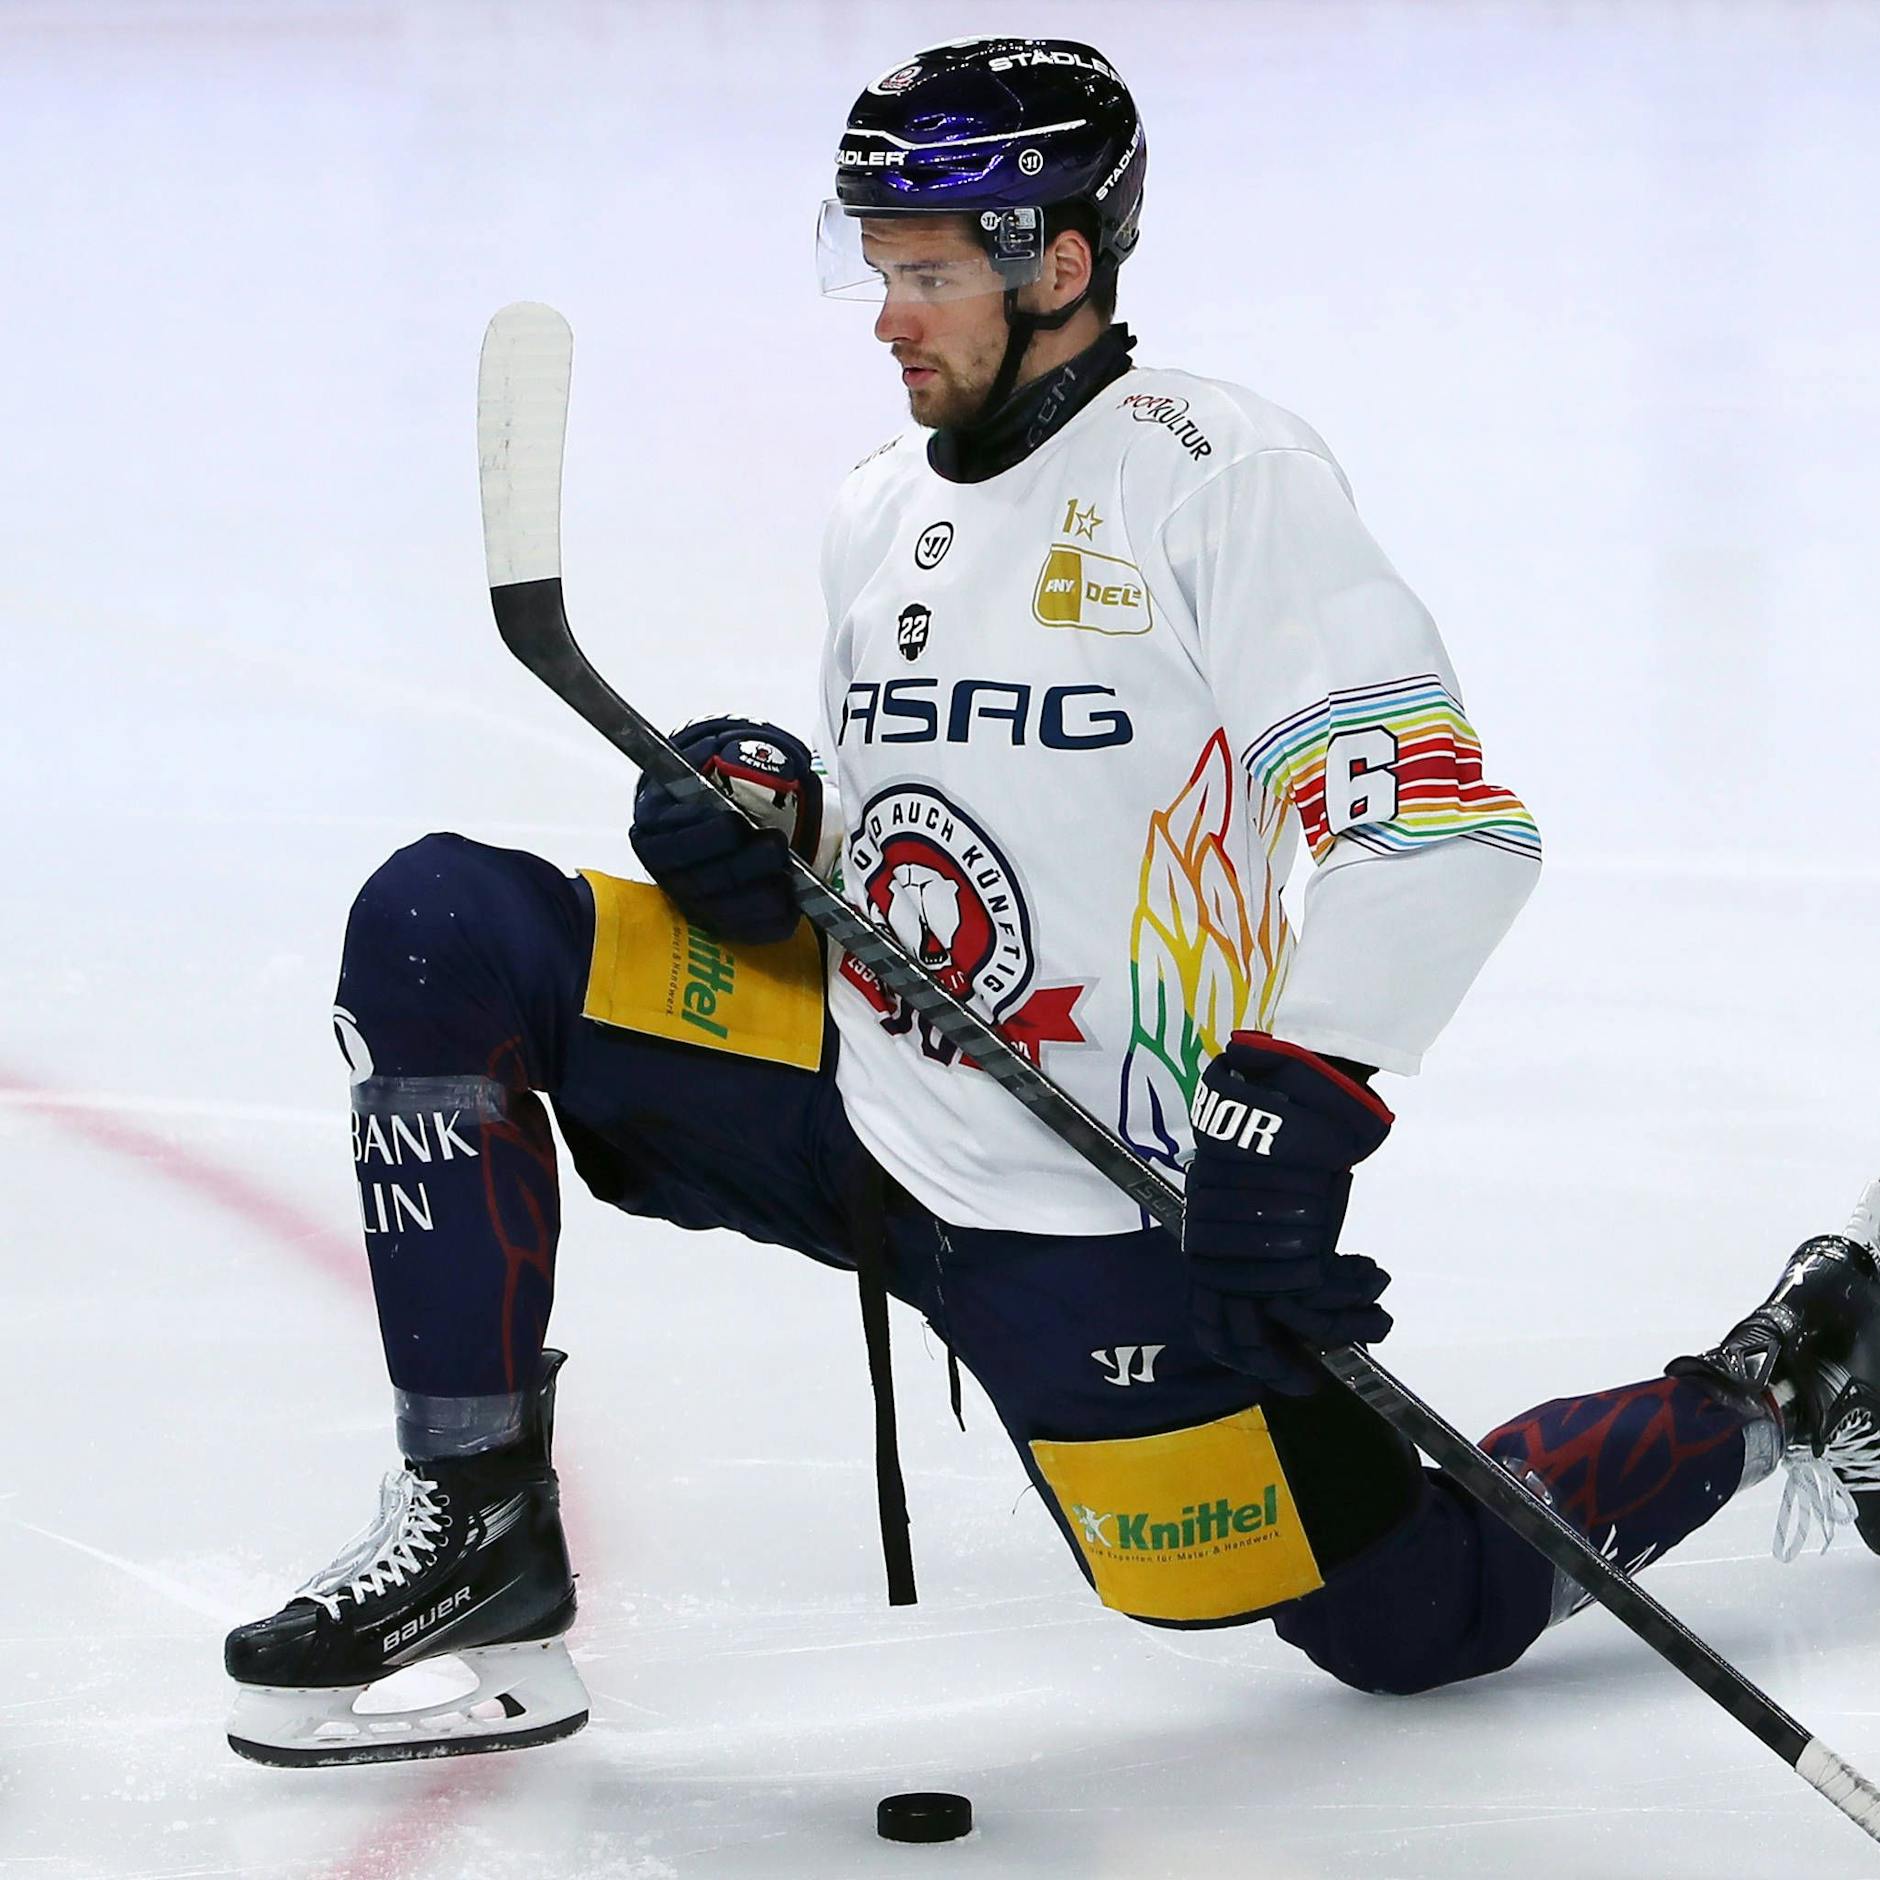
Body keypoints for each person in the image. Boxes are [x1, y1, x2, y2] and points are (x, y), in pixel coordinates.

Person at [224, 36, 1880, 1767]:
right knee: (442, 927)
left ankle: (1790, 1373)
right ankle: (479, 1530)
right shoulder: (877, 511)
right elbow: (911, 835)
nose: (887, 320)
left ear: (1060, 265)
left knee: (1416, 1617)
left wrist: (1297, 1102)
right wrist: (769, 815)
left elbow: (1445, 835)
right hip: (851, 1111)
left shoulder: (1217, 482)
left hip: (1091, 1214)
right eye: (875, 272)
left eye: (926, 275)